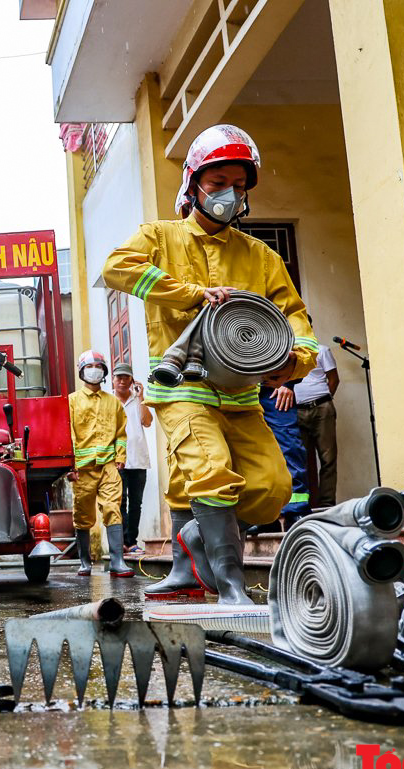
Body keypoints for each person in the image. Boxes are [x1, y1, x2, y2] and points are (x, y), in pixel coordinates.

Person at [102, 124, 318, 604]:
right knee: (210, 469)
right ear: (194, 184)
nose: (228, 195)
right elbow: (117, 268)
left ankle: (191, 549)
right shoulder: (159, 236)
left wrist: (293, 362)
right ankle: (230, 587)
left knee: (273, 486)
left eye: (238, 187)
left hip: (241, 394)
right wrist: (193, 294)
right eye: (218, 184)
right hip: (180, 388)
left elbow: (295, 317)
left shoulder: (260, 255)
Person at [68, 350, 132, 577]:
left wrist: (120, 457)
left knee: (113, 508)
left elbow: (121, 434)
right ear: (82, 371)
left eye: (98, 366)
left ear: (103, 372)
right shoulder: (72, 402)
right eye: (89, 366)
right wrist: (70, 466)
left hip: (108, 466)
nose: (94, 370)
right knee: (83, 514)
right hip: (82, 469)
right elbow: (69, 435)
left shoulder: (113, 403)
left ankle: (117, 561)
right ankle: (84, 561)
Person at [247, 383, 311, 535]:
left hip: (273, 390)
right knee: (254, 455)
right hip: (243, 393)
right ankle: (266, 517)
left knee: (290, 448)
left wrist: (288, 383)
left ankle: (296, 511)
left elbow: (299, 358)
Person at [110, 362, 152, 555]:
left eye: (126, 377)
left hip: (139, 458)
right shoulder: (109, 401)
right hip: (117, 458)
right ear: (113, 379)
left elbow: (147, 422)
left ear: (131, 380)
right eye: (119, 377)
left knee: (136, 503)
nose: (122, 381)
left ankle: (132, 541)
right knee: (119, 501)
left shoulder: (138, 400)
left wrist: (141, 397)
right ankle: (122, 542)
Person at [295, 341, 339, 507]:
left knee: (328, 457)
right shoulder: (289, 353)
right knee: (300, 460)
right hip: (297, 410)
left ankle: (327, 502)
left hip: (322, 408)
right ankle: (305, 503)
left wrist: (324, 400)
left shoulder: (322, 350)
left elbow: (334, 379)